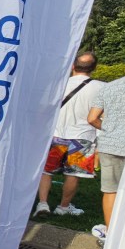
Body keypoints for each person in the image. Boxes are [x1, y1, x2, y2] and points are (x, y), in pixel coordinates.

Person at [33, 53, 104, 218]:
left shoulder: (58, 84)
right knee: (73, 174)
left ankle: (42, 203)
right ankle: (63, 207)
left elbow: (43, 110)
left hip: (55, 135)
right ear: (94, 68)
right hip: (83, 136)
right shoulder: (101, 87)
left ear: (73, 66)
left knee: (46, 171)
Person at [87, 42, 125, 241]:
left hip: (111, 145)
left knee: (111, 191)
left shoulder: (111, 87)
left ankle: (112, 235)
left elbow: (92, 118)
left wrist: (109, 129)